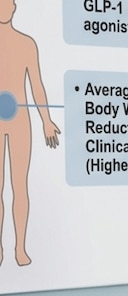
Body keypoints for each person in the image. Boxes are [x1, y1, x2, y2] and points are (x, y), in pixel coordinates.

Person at [0, 0, 60, 267]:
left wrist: (46, 120)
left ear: (14, 6)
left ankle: (20, 249)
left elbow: (37, 86)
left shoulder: (26, 44)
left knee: (20, 187)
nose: (4, 6)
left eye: (7, 1)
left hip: (20, 121)